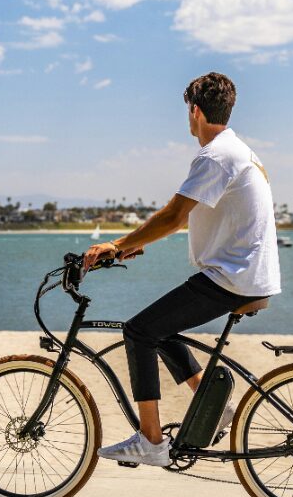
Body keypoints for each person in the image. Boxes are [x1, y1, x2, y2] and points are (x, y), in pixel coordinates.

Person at [84, 71, 282, 467]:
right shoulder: (239, 151)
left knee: (139, 331)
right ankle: (213, 403)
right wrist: (131, 247)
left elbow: (174, 216)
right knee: (161, 328)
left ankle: (151, 441)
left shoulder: (216, 155)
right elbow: (192, 220)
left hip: (233, 278)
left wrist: (116, 244)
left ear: (194, 111)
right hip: (246, 273)